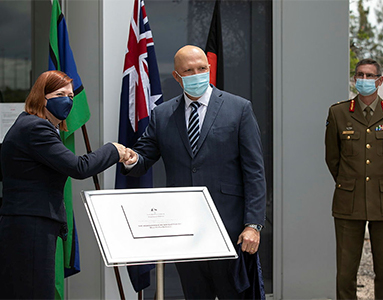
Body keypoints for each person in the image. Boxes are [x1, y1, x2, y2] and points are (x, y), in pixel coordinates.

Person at [123, 45, 266, 299]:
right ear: (177, 77)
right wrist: (129, 158)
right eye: (189, 70)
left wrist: (253, 225)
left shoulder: (239, 109)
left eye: (202, 68)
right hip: (185, 229)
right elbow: (142, 159)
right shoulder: (163, 114)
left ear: (209, 69)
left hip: (230, 231)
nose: (197, 74)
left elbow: (254, 172)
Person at [0, 70, 136, 299]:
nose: (68, 100)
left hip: (26, 223)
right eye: (60, 94)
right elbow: (78, 167)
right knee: (34, 292)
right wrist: (114, 149)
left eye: (71, 96)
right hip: (30, 225)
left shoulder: (31, 126)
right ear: (41, 97)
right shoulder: (36, 128)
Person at [325, 58, 383, 300]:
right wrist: (349, 182)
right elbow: (332, 158)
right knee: (346, 273)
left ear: (379, 81)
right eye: (359, 75)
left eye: (369, 76)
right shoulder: (338, 113)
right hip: (349, 201)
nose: (363, 80)